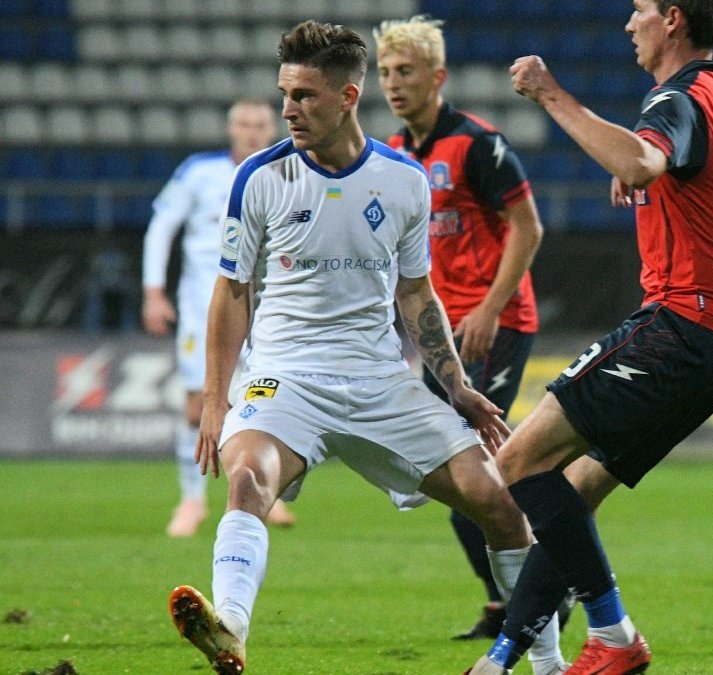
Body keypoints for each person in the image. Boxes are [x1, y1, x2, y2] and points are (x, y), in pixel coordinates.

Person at [166, 21, 550, 674]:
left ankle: (548, 663)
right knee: (248, 477)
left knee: (499, 503)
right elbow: (231, 292)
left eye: (304, 96)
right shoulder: (259, 177)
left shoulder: (403, 180)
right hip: (285, 378)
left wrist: (456, 386)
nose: (289, 109)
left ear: (347, 97)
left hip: (378, 381)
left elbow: (417, 293)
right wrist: (215, 396)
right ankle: (230, 624)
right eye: (285, 95)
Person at [468, 1, 713, 673]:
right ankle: (501, 660)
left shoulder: (677, 99)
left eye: (639, 9)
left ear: (672, 19)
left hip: (680, 324)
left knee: (519, 460)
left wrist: (550, 93)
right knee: (572, 491)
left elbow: (641, 162)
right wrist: (666, 182)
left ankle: (613, 634)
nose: (628, 23)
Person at [372, 15, 549, 643]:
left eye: (406, 71)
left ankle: (539, 598)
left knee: (477, 479)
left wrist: (491, 308)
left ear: (437, 77)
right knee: (465, 487)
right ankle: (512, 603)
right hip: (442, 337)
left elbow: (528, 227)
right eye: (385, 72)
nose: (393, 83)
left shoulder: (478, 144)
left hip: (495, 326)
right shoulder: (392, 152)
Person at [142, 98, 296, 537]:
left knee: (264, 404)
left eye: (260, 125)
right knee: (198, 406)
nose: (251, 132)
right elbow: (161, 227)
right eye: (244, 124)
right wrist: (153, 291)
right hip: (202, 309)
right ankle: (192, 500)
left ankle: (262, 489)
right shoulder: (198, 172)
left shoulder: (289, 173)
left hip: (267, 308)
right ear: (231, 129)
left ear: (272, 129)